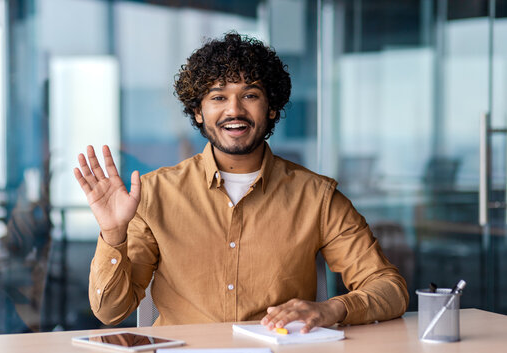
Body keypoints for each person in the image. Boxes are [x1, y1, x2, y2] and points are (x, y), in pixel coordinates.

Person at [74, 32, 408, 334]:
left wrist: (330, 309)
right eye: (218, 97)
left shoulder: (317, 197)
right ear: (198, 112)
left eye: (249, 95)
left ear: (272, 108)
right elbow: (110, 312)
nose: (234, 110)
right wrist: (113, 234)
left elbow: (389, 288)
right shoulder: (152, 194)